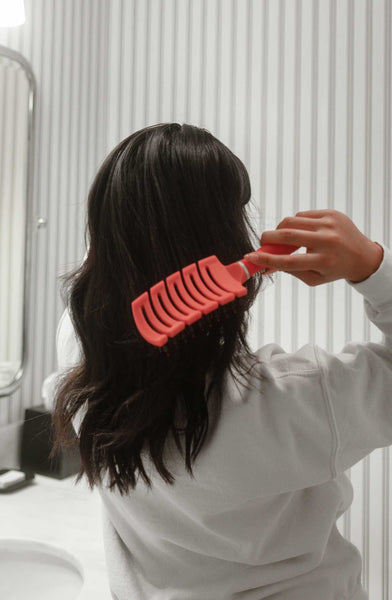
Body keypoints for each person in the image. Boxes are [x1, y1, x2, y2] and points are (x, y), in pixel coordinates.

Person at [52, 122, 390, 600]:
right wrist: (373, 267)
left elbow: (101, 281)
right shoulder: (303, 401)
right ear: (231, 239)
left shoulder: (84, 365)